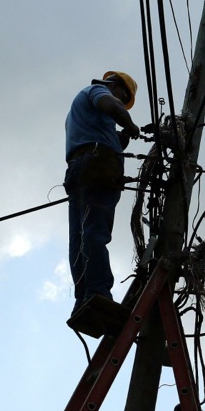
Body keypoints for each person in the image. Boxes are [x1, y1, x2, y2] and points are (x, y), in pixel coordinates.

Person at [64, 71, 141, 325]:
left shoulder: (82, 112)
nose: (119, 99)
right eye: (124, 97)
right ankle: (98, 292)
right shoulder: (98, 91)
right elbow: (112, 105)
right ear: (118, 87)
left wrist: (120, 139)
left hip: (80, 170)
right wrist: (129, 124)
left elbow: (96, 134)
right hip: (97, 169)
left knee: (80, 237)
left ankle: (83, 297)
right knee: (95, 233)